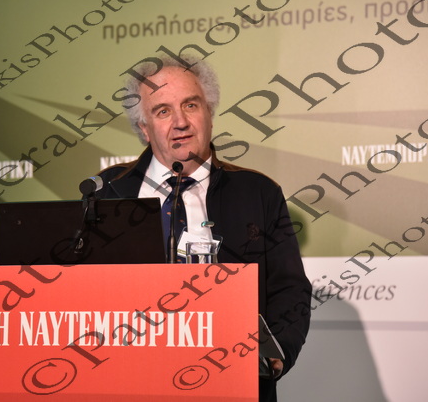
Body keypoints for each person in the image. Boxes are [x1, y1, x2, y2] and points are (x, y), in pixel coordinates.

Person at [93, 55, 311, 401]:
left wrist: (276, 355)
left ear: (209, 112)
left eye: (190, 105)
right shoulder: (106, 191)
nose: (180, 122)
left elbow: (289, 288)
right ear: (144, 128)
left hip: (232, 382)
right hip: (130, 380)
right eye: (162, 111)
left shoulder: (258, 192)